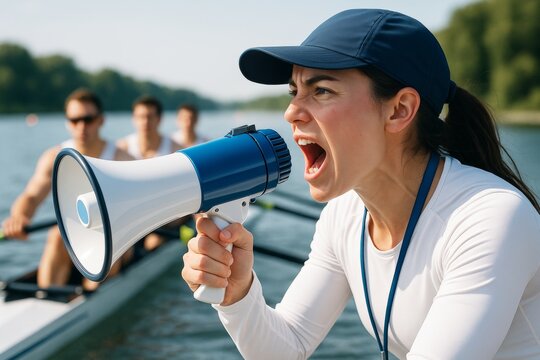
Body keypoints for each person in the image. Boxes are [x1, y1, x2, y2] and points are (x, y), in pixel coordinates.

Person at [181, 9, 540, 359]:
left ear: (399, 110)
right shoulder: (345, 214)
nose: (291, 112)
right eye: (295, 91)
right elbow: (287, 347)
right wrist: (239, 295)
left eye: (321, 90)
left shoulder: (489, 219)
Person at [2, 88, 133, 290]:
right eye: (74, 120)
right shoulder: (54, 157)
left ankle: (90, 296)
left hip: (115, 237)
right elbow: (31, 196)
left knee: (107, 241)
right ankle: (47, 297)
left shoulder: (121, 159)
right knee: (56, 234)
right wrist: (19, 216)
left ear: (101, 120)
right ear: (67, 123)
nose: (81, 126)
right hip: (73, 236)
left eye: (88, 119)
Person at [117, 95, 182, 251]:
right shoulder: (122, 147)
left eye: (149, 117)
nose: (145, 122)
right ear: (134, 119)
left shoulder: (175, 149)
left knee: (153, 242)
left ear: (159, 119)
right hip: (133, 213)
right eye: (140, 117)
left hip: (166, 215)